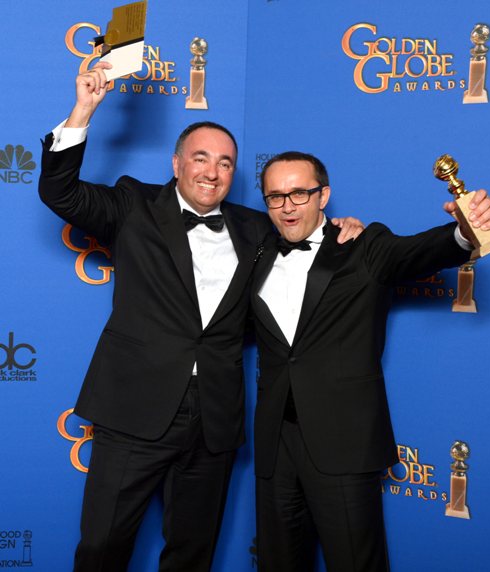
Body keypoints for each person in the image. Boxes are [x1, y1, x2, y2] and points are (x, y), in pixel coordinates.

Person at [39, 63, 362, 572]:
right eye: (201, 158)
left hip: (213, 418)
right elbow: (60, 192)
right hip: (134, 410)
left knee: (193, 554)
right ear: (176, 164)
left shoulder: (257, 227)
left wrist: (339, 226)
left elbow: (304, 238)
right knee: (102, 548)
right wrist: (83, 110)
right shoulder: (133, 204)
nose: (212, 172)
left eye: (225, 163)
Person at [251, 151, 490, 572]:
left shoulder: (364, 246)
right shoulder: (258, 252)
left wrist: (465, 230)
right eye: (275, 196)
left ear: (323, 195)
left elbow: (420, 251)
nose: (287, 206)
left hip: (344, 441)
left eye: (299, 193)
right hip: (276, 442)